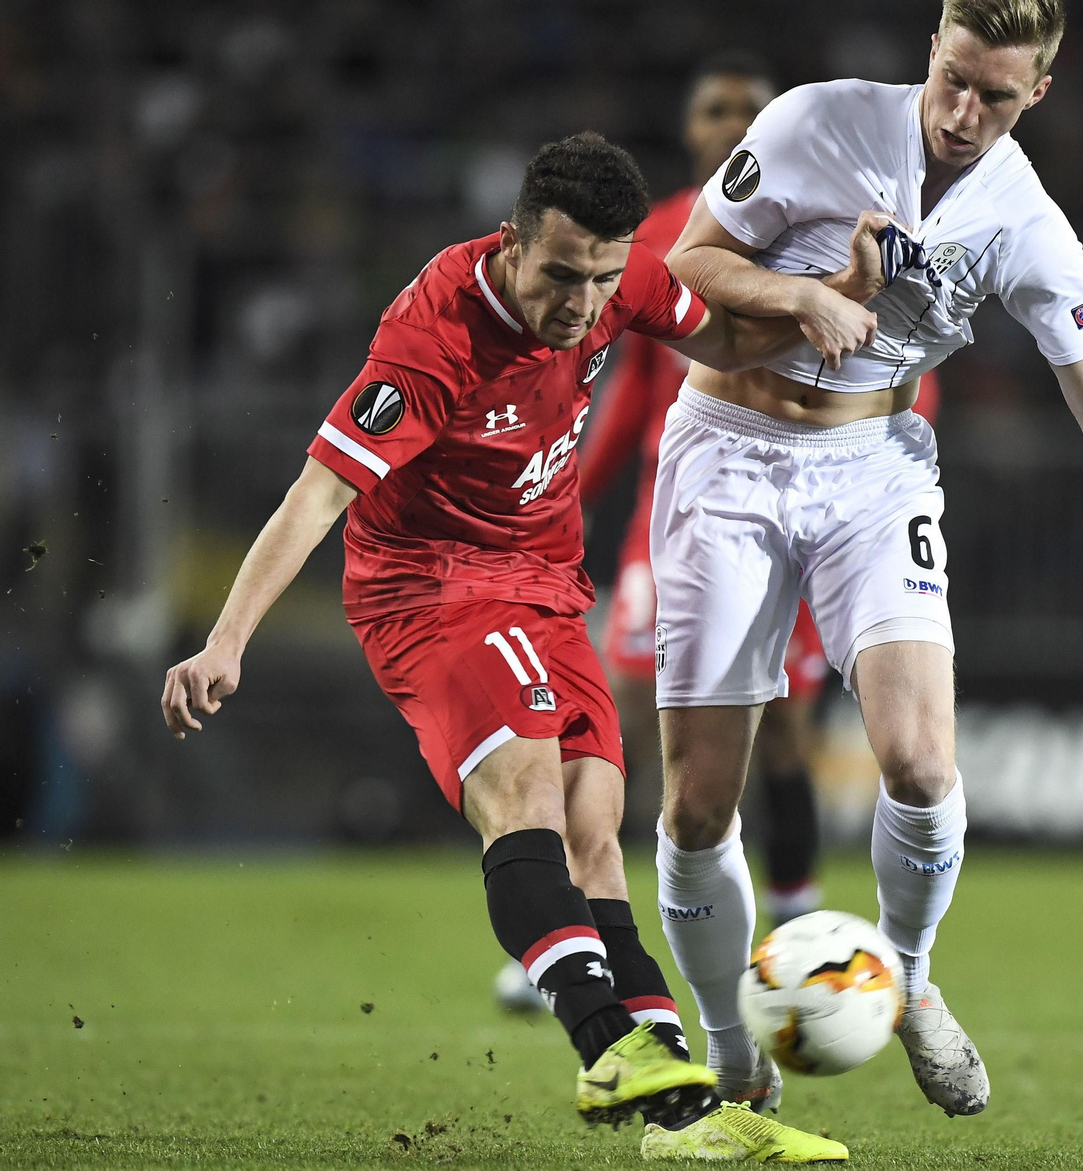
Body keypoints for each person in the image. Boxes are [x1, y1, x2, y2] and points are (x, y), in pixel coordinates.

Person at [651, 0, 1083, 1122]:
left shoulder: (1030, 229)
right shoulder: (812, 123)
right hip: (726, 455)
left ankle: (911, 980)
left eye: (997, 96)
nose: (964, 114)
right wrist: (806, 293)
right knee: (693, 806)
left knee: (921, 766)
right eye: (955, 80)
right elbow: (684, 270)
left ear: (1040, 96)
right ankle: (734, 1058)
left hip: (875, 466)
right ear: (931, 48)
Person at [159, 132, 863, 1163]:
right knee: (526, 793)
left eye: (603, 279)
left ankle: (689, 1124)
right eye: (562, 275)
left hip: (544, 581)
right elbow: (319, 492)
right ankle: (605, 1048)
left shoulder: (615, 282)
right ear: (512, 243)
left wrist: (816, 300)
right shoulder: (432, 335)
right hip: (430, 586)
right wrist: (226, 641)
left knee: (595, 826)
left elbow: (718, 340)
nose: (582, 303)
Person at [578, 52, 943, 936]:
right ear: (691, 128)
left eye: (752, 109)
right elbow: (633, 382)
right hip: (688, 498)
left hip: (817, 498)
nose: (734, 123)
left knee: (780, 732)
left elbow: (905, 359)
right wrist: (575, 493)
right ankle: (597, 914)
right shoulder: (663, 231)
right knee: (638, 717)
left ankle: (794, 921)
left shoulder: (833, 207)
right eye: (716, 109)